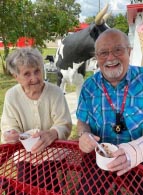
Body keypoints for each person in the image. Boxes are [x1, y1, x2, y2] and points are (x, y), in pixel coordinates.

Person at [76, 28, 143, 193]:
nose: (111, 58)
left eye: (118, 50)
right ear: (96, 57)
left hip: (139, 158)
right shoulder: (89, 86)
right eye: (103, 53)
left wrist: (136, 151)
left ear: (129, 51)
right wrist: (84, 135)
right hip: (100, 158)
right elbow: (82, 121)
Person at [0, 47, 72, 194]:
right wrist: (11, 133)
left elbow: (64, 123)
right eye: (27, 74)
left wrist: (53, 133)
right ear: (16, 76)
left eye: (37, 71)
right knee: (24, 180)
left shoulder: (55, 93)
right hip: (23, 150)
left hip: (52, 148)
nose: (35, 78)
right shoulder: (11, 96)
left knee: (46, 179)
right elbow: (8, 125)